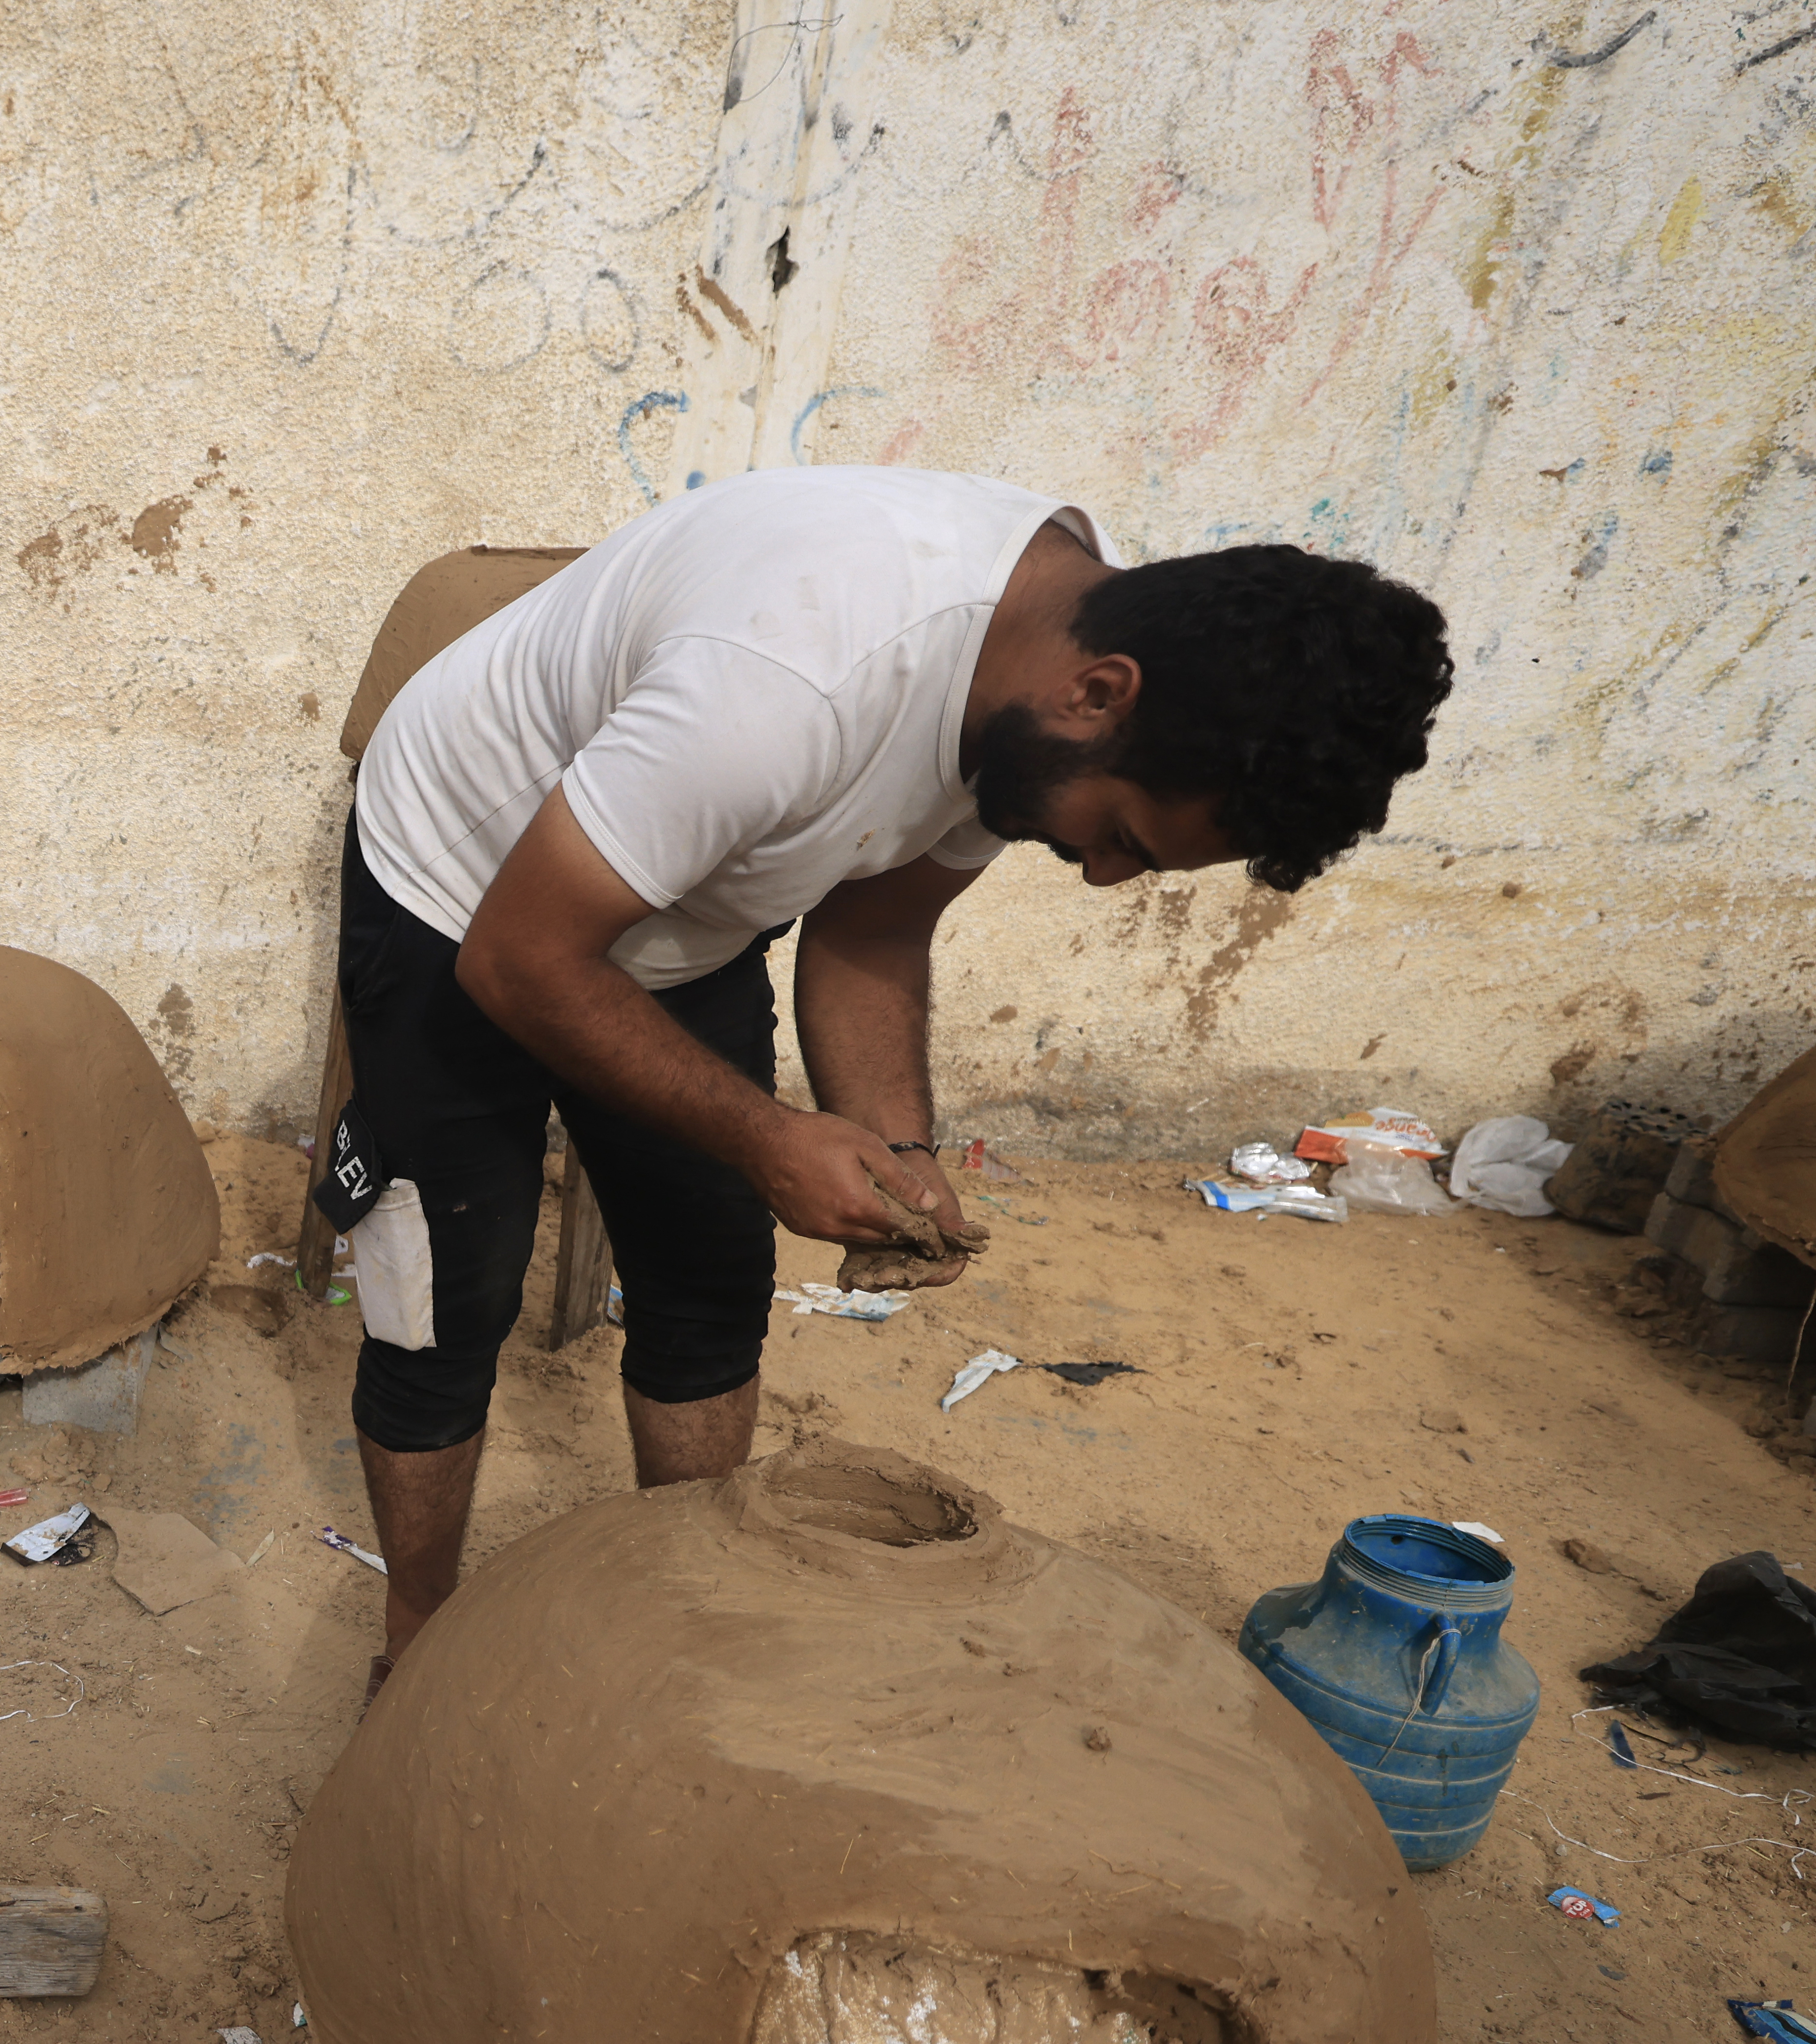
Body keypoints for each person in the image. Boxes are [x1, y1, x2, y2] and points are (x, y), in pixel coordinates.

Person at [332, 466, 1450, 1687]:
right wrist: (766, 1137)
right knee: (443, 1298)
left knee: (707, 1281)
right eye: (1123, 835)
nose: (1101, 876)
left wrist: (893, 1149)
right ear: (1097, 694)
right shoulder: (792, 673)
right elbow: (522, 958)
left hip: (688, 896)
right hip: (463, 886)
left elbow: (872, 932)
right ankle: (417, 1641)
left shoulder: (1056, 659)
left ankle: (676, 1623)